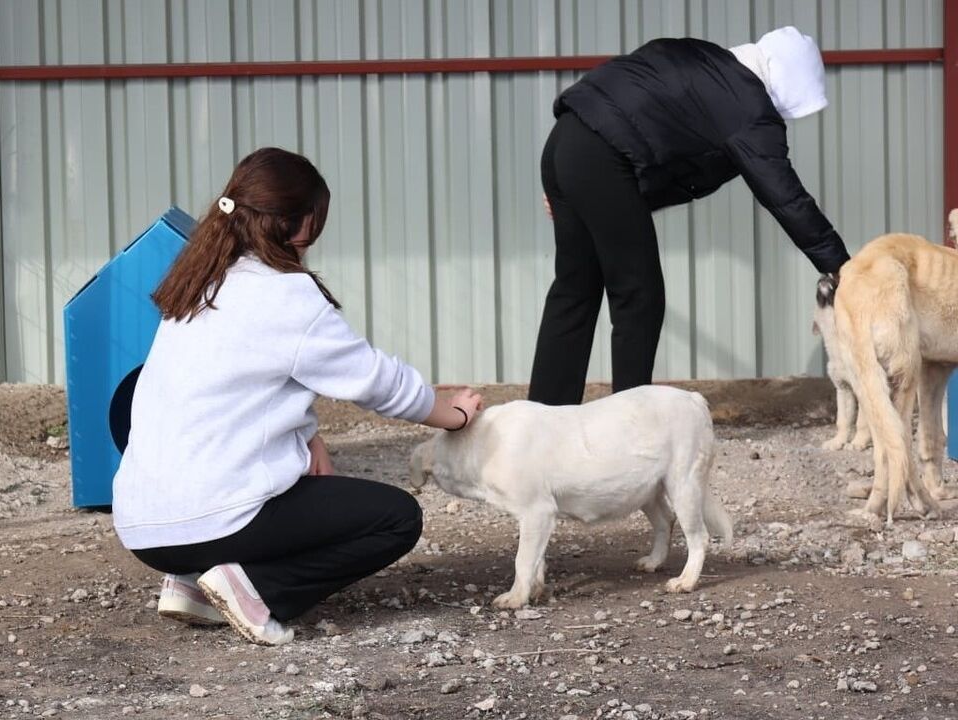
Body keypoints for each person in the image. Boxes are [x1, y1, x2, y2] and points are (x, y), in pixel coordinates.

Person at [113, 147, 484, 646]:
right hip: (213, 517)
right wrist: (452, 415)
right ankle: (257, 590)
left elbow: (255, 385)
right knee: (396, 518)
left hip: (146, 530)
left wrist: (311, 438)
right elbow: (375, 381)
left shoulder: (200, 282)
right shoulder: (285, 293)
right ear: (299, 223)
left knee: (299, 496)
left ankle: (192, 583)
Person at [530, 26, 851, 406]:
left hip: (564, 142)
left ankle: (542, 419)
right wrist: (842, 267)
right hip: (599, 159)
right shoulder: (748, 104)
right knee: (639, 295)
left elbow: (647, 143)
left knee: (575, 289)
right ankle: (629, 422)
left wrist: (580, 190)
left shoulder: (703, 60)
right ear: (785, 83)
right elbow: (785, 197)